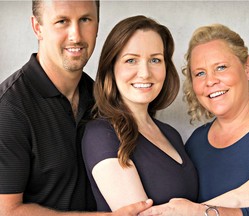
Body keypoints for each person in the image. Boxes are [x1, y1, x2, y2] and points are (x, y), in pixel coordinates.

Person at [0, 1, 152, 215]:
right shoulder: (9, 108)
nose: (76, 35)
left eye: (85, 20)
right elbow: (6, 211)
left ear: (97, 25)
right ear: (37, 27)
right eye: (62, 21)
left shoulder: (102, 97)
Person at [139, 24, 249, 216]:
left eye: (221, 67)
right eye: (200, 73)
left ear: (248, 68)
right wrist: (236, 199)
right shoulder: (196, 142)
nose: (210, 81)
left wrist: (199, 212)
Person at [81, 15, 198, 212]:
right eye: (131, 60)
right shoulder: (101, 135)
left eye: (155, 59)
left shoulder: (171, 134)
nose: (145, 72)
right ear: (111, 68)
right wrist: (235, 200)